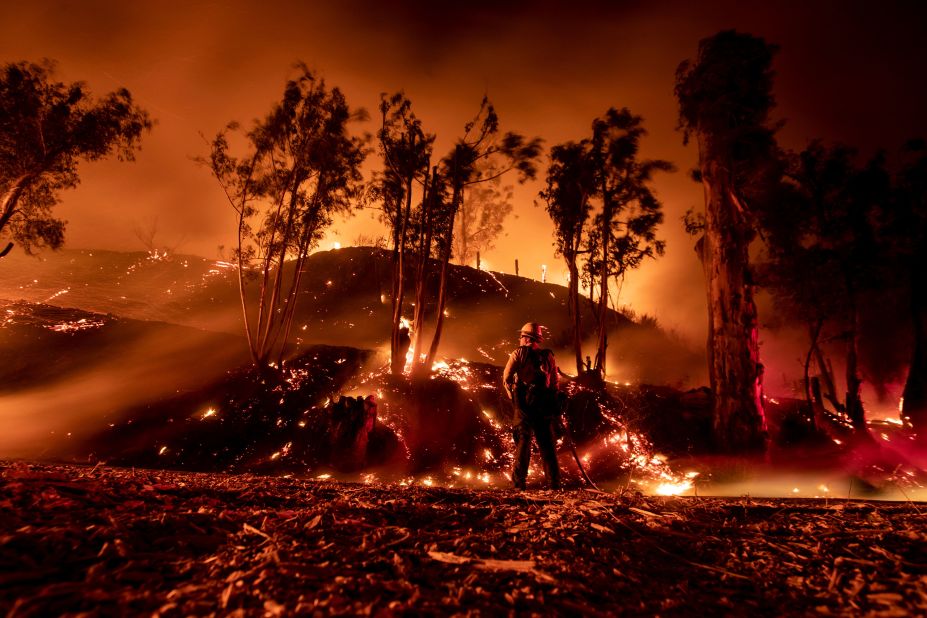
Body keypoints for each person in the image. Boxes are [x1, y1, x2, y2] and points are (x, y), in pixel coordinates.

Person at [502, 322, 561, 490]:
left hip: (524, 406)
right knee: (547, 445)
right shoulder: (548, 356)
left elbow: (506, 378)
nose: (520, 339)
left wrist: (515, 400)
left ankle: (518, 484)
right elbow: (555, 384)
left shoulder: (518, 354)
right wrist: (552, 404)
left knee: (523, 442)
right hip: (544, 406)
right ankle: (555, 484)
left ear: (527, 337)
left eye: (521, 336)